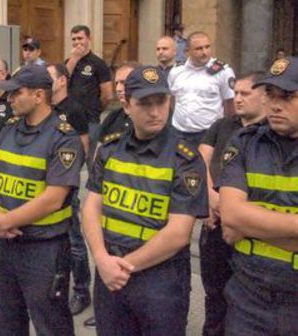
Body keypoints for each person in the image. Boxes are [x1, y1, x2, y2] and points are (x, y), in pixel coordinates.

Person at [219, 56, 298, 335]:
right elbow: (230, 217)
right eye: (271, 94)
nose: (275, 104)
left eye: (288, 96)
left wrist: (251, 226)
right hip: (248, 298)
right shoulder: (244, 143)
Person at [82, 66, 208, 335]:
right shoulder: (110, 148)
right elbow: (91, 206)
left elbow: (178, 233)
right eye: (145, 103)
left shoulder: (185, 158)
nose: (155, 112)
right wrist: (102, 259)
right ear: (126, 106)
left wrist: (123, 267)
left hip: (159, 278)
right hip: (110, 269)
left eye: (161, 102)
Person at [0, 65, 84, 335]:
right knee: (7, 318)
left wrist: (4, 221)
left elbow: (54, 198)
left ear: (39, 96)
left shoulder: (63, 138)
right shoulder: (8, 129)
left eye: (17, 93)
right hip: (7, 243)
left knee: (49, 321)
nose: (10, 99)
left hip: (45, 248)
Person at [197, 71, 267, 336]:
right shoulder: (222, 126)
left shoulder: (271, 131)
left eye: (245, 93)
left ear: (264, 97)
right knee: (214, 292)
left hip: (248, 225)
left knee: (246, 297)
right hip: (215, 217)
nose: (237, 99)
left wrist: (231, 208)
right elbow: (199, 161)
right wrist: (211, 199)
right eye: (235, 93)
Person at [82, 61, 139, 329]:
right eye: (116, 83)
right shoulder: (115, 118)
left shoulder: (157, 118)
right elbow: (100, 150)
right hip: (110, 202)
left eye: (124, 82)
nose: (119, 88)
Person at [47, 63, 91, 315]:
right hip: (47, 183)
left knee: (75, 240)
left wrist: (69, 178)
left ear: (62, 81)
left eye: (50, 77)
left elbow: (83, 147)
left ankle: (82, 290)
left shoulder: (74, 109)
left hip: (66, 183)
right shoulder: (46, 108)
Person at [169, 31, 235, 148]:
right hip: (178, 133)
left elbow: (230, 105)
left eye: (207, 47)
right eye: (199, 49)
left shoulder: (223, 72)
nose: (205, 52)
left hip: (208, 135)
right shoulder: (176, 71)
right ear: (188, 51)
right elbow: (172, 99)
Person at [65, 25, 113, 162]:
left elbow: (107, 94)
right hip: (70, 120)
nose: (76, 42)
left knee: (89, 160)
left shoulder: (99, 63)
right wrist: (73, 60)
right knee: (69, 159)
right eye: (73, 39)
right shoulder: (69, 62)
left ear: (89, 39)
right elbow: (62, 83)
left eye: (80, 38)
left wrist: (97, 108)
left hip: (89, 120)